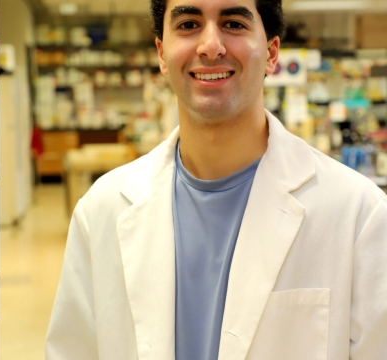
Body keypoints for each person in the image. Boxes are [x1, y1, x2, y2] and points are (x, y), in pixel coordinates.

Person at [46, 0, 387, 358]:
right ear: (162, 54)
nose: (210, 45)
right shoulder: (101, 211)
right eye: (189, 24)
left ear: (272, 53)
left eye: (234, 24)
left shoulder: (359, 216)